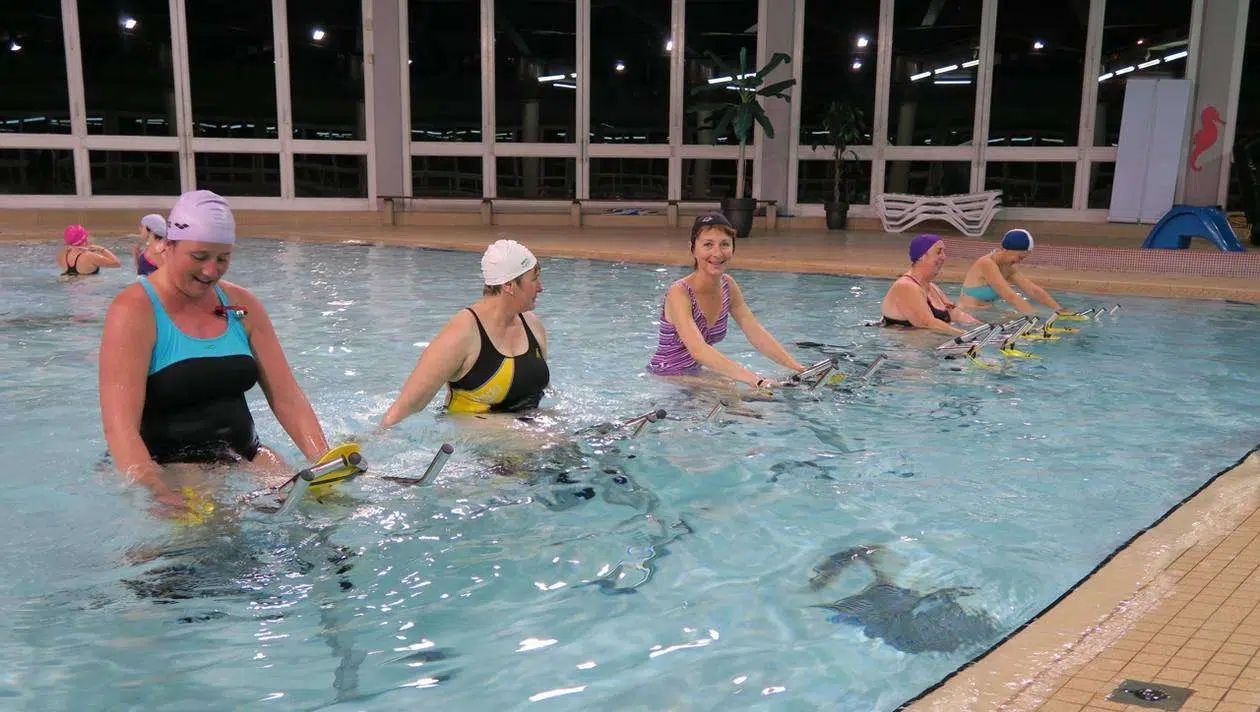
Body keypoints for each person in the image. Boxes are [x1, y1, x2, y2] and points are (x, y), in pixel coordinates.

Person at [98, 190, 332, 514]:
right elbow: (119, 427)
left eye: (222, 259)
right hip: (168, 467)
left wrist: (325, 460)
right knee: (217, 542)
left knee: (322, 509)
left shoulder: (241, 307)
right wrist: (157, 491)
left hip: (245, 456)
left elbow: (287, 396)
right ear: (168, 244)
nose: (211, 270)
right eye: (199, 257)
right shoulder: (134, 310)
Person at [381, 239, 549, 428]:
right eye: (534, 279)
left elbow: (539, 393)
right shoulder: (462, 333)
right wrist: (372, 439)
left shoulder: (532, 325)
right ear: (509, 285)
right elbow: (408, 404)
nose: (540, 287)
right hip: (475, 440)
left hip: (526, 430)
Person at [647, 212, 806, 390]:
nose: (717, 253)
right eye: (708, 244)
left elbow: (755, 332)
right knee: (730, 387)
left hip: (695, 373)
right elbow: (698, 350)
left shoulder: (727, 286)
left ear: (733, 248)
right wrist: (756, 380)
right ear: (693, 248)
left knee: (763, 392)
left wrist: (796, 367)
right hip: (667, 375)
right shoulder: (679, 292)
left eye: (725, 244)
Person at [879, 233, 983, 336]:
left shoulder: (932, 287)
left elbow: (956, 314)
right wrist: (966, 335)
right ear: (922, 256)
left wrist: (984, 328)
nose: (944, 257)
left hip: (930, 349)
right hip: (902, 350)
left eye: (943, 252)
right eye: (939, 252)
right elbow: (927, 322)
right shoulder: (905, 286)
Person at [957, 228, 1064, 315]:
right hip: (968, 315)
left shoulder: (1006, 267)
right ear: (1008, 250)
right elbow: (1009, 295)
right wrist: (1034, 317)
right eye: (1020, 257)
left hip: (989, 313)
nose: (1019, 262)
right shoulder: (986, 263)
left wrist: (1060, 310)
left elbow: (1033, 290)